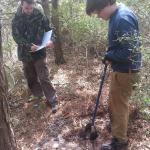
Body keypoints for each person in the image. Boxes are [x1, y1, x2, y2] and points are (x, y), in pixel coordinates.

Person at [86, 0, 141, 150]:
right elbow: (121, 45)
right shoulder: (117, 15)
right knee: (116, 103)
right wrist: (111, 54)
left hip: (126, 72)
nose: (98, 16)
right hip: (122, 70)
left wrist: (110, 55)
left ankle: (120, 142)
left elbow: (129, 51)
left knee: (119, 106)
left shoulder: (123, 19)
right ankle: (118, 126)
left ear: (106, 4)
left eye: (98, 12)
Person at [12, 0, 57, 113]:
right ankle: (38, 97)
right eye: (26, 8)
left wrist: (51, 40)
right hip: (25, 54)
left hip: (39, 52)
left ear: (34, 5)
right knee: (31, 77)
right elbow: (16, 37)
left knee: (43, 77)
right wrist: (28, 46)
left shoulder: (39, 15)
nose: (29, 10)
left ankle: (52, 100)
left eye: (31, 8)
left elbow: (49, 30)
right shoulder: (16, 19)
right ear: (22, 4)